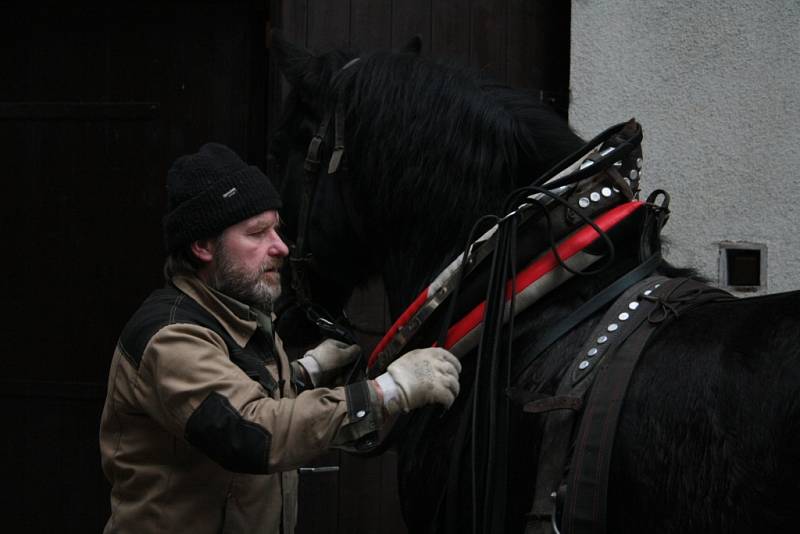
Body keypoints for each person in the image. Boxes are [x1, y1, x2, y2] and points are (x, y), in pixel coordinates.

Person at [99, 143, 462, 534]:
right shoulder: (171, 337)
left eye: (276, 228)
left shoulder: (238, 312)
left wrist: (306, 372)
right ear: (202, 246)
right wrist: (388, 391)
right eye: (257, 233)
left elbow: (238, 392)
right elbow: (250, 432)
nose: (281, 247)